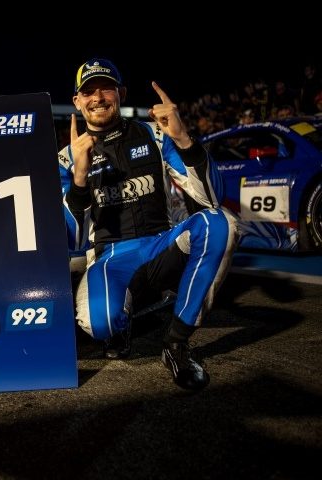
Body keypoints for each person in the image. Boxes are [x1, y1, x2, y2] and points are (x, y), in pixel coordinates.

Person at [60, 59, 239, 391]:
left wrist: (183, 138)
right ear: (77, 101)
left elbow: (211, 198)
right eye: (88, 91)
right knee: (98, 324)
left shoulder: (157, 134)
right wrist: (80, 178)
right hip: (110, 259)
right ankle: (122, 318)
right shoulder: (66, 158)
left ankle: (176, 342)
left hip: (162, 245)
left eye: (106, 88)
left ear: (121, 93)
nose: (97, 97)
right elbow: (72, 239)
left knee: (223, 223)